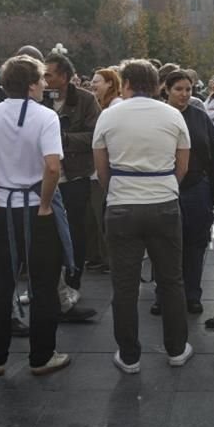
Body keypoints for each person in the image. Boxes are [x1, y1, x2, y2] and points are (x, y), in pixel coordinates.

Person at [0, 55, 71, 376]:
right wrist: (47, 202)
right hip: (37, 207)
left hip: (3, 206)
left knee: (2, 283)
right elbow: (52, 166)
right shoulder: (46, 116)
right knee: (44, 284)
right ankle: (42, 355)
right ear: (33, 84)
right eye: (42, 80)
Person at [93, 59, 193, 373]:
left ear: (125, 84)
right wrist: (165, 187)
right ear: (157, 85)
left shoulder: (109, 115)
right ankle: (176, 349)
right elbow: (183, 165)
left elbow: (101, 167)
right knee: (171, 280)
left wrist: (120, 190)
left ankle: (130, 355)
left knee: (124, 285)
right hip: (163, 202)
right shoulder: (173, 115)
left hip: (122, 204)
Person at [158, 70, 214, 314]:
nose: (184, 94)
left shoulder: (200, 117)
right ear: (166, 89)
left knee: (196, 245)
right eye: (178, 89)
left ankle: (192, 294)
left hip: (197, 187)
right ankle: (164, 295)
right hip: (164, 188)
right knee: (165, 245)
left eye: (188, 89)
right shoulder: (159, 115)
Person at [43, 52, 101, 311]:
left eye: (49, 74)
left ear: (64, 77)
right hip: (45, 178)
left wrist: (63, 139)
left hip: (75, 176)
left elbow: (95, 136)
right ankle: (48, 286)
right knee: (47, 233)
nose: (44, 79)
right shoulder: (38, 100)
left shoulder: (86, 100)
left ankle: (73, 282)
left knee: (76, 231)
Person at [84, 68, 122, 273]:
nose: (92, 84)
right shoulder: (98, 105)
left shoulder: (115, 107)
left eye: (96, 81)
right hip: (93, 172)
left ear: (110, 83)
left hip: (105, 172)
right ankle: (97, 256)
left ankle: (109, 259)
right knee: (93, 217)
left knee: (102, 216)